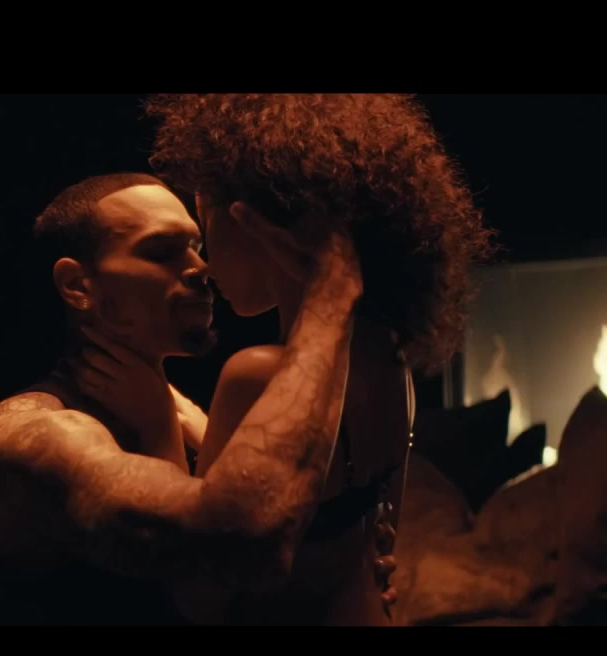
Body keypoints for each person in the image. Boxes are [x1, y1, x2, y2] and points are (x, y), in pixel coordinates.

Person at [145, 93, 496, 625]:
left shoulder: (256, 373)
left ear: (252, 223)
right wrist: (203, 427)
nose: (205, 263)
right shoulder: (390, 360)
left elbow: (202, 594)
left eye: (205, 223)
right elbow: (344, 513)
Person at [0, 171, 368, 624]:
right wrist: (329, 297)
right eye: (161, 252)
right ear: (78, 286)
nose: (201, 268)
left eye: (196, 246)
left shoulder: (169, 408)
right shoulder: (37, 429)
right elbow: (231, 547)